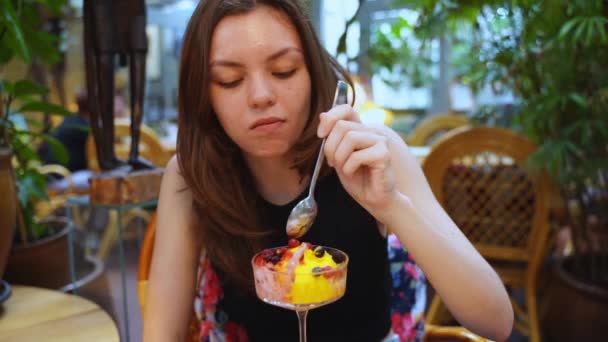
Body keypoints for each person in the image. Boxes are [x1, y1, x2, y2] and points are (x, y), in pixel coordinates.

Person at [143, 1, 514, 341]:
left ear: (312, 73)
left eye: (283, 71)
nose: (260, 95)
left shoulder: (374, 154)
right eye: (230, 80)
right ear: (203, 95)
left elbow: (495, 321)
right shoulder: (189, 179)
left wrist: (390, 207)